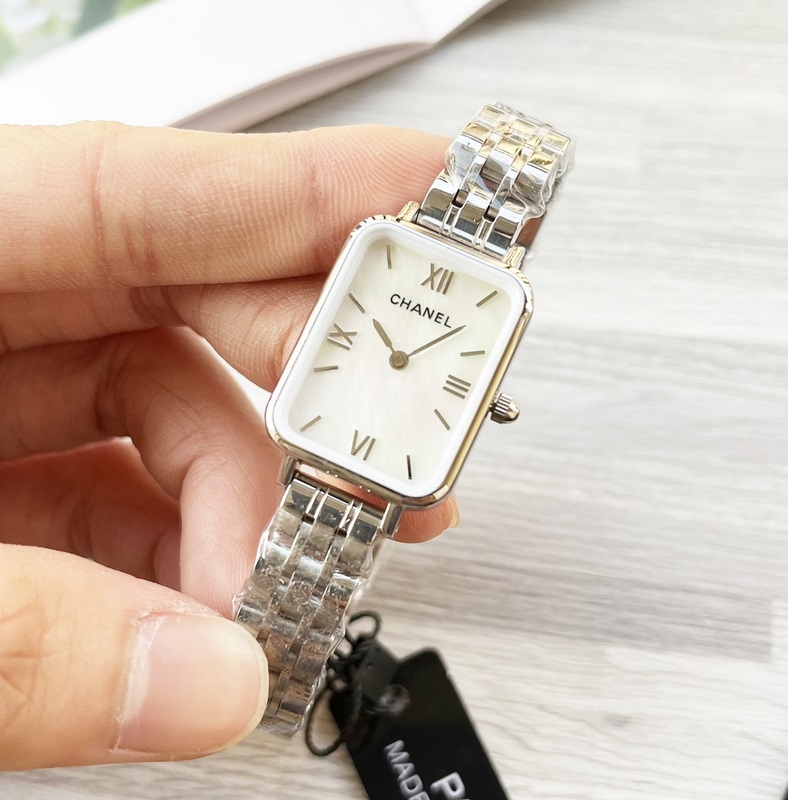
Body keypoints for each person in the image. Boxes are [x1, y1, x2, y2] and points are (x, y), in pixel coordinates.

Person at [0, 121, 457, 770]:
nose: (400, 356)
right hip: (328, 453)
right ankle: (267, 687)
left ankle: (270, 688)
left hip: (374, 467)